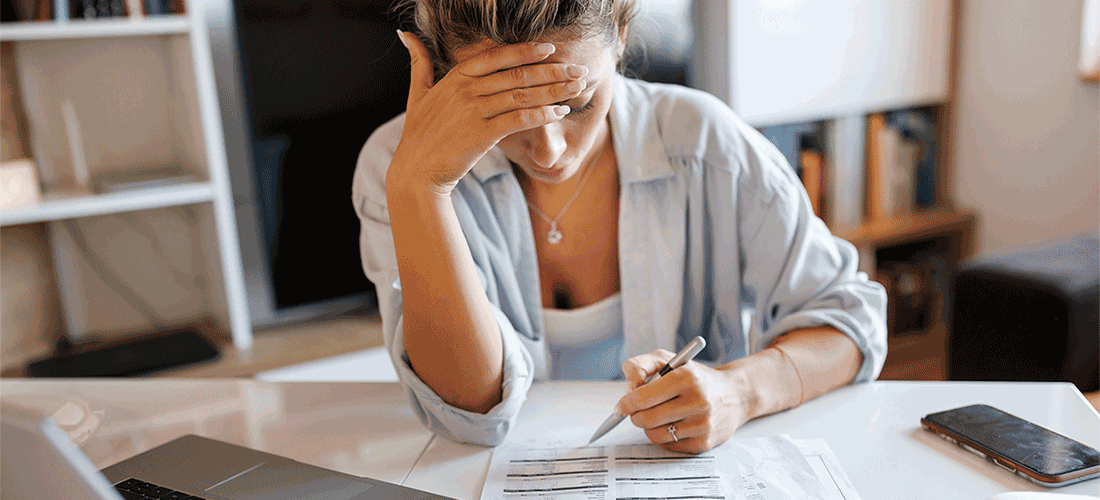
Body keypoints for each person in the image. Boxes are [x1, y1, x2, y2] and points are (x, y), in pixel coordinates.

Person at [352, 0, 887, 453]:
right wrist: (423, 191)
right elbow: (467, 411)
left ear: (621, 37)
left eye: (576, 105)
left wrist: (739, 392)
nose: (550, 150)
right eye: (504, 115)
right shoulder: (397, 169)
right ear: (440, 76)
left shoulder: (705, 145)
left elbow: (851, 323)